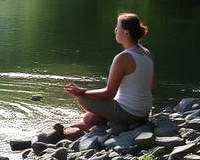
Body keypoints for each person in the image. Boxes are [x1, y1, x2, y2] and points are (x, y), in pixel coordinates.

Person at [61, 12, 156, 140]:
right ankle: (94, 122)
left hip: (130, 114)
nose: (115, 30)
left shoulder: (123, 57)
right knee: (89, 117)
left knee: (83, 99)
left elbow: (109, 93)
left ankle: (106, 121)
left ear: (126, 33)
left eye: (118, 27)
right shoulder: (146, 53)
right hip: (144, 112)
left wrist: (82, 92)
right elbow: (152, 84)